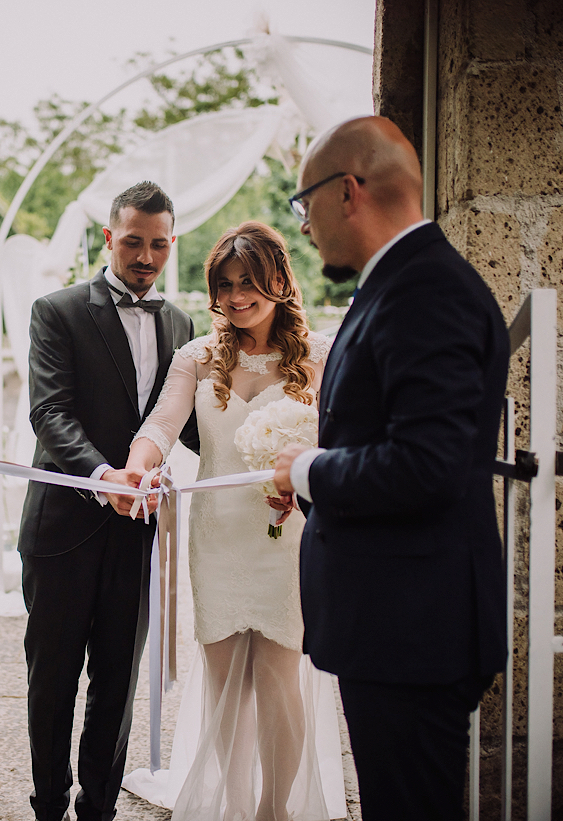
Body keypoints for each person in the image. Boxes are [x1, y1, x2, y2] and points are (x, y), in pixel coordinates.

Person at [271, 116, 510, 821]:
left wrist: (308, 470)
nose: (305, 225)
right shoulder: (402, 283)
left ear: (348, 191)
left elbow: (427, 465)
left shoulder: (426, 289)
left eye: (305, 202)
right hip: (396, 625)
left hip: (413, 630)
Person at [117, 221, 341, 821]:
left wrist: (307, 481)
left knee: (278, 678)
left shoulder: (321, 356)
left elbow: (342, 441)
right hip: (217, 538)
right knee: (225, 686)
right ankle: (236, 807)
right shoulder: (198, 357)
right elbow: (161, 425)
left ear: (279, 280)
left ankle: (274, 810)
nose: (237, 296)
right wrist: (138, 466)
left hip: (287, 538)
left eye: (249, 282)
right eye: (225, 284)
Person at [18, 180, 200, 821]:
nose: (146, 257)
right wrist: (104, 477)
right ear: (108, 238)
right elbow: (50, 413)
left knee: (118, 680)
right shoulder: (57, 311)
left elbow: (189, 423)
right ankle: (48, 806)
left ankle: (98, 809)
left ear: (171, 243)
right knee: (53, 677)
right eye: (133, 242)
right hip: (64, 526)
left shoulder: (182, 324)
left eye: (158, 245)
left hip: (139, 531)